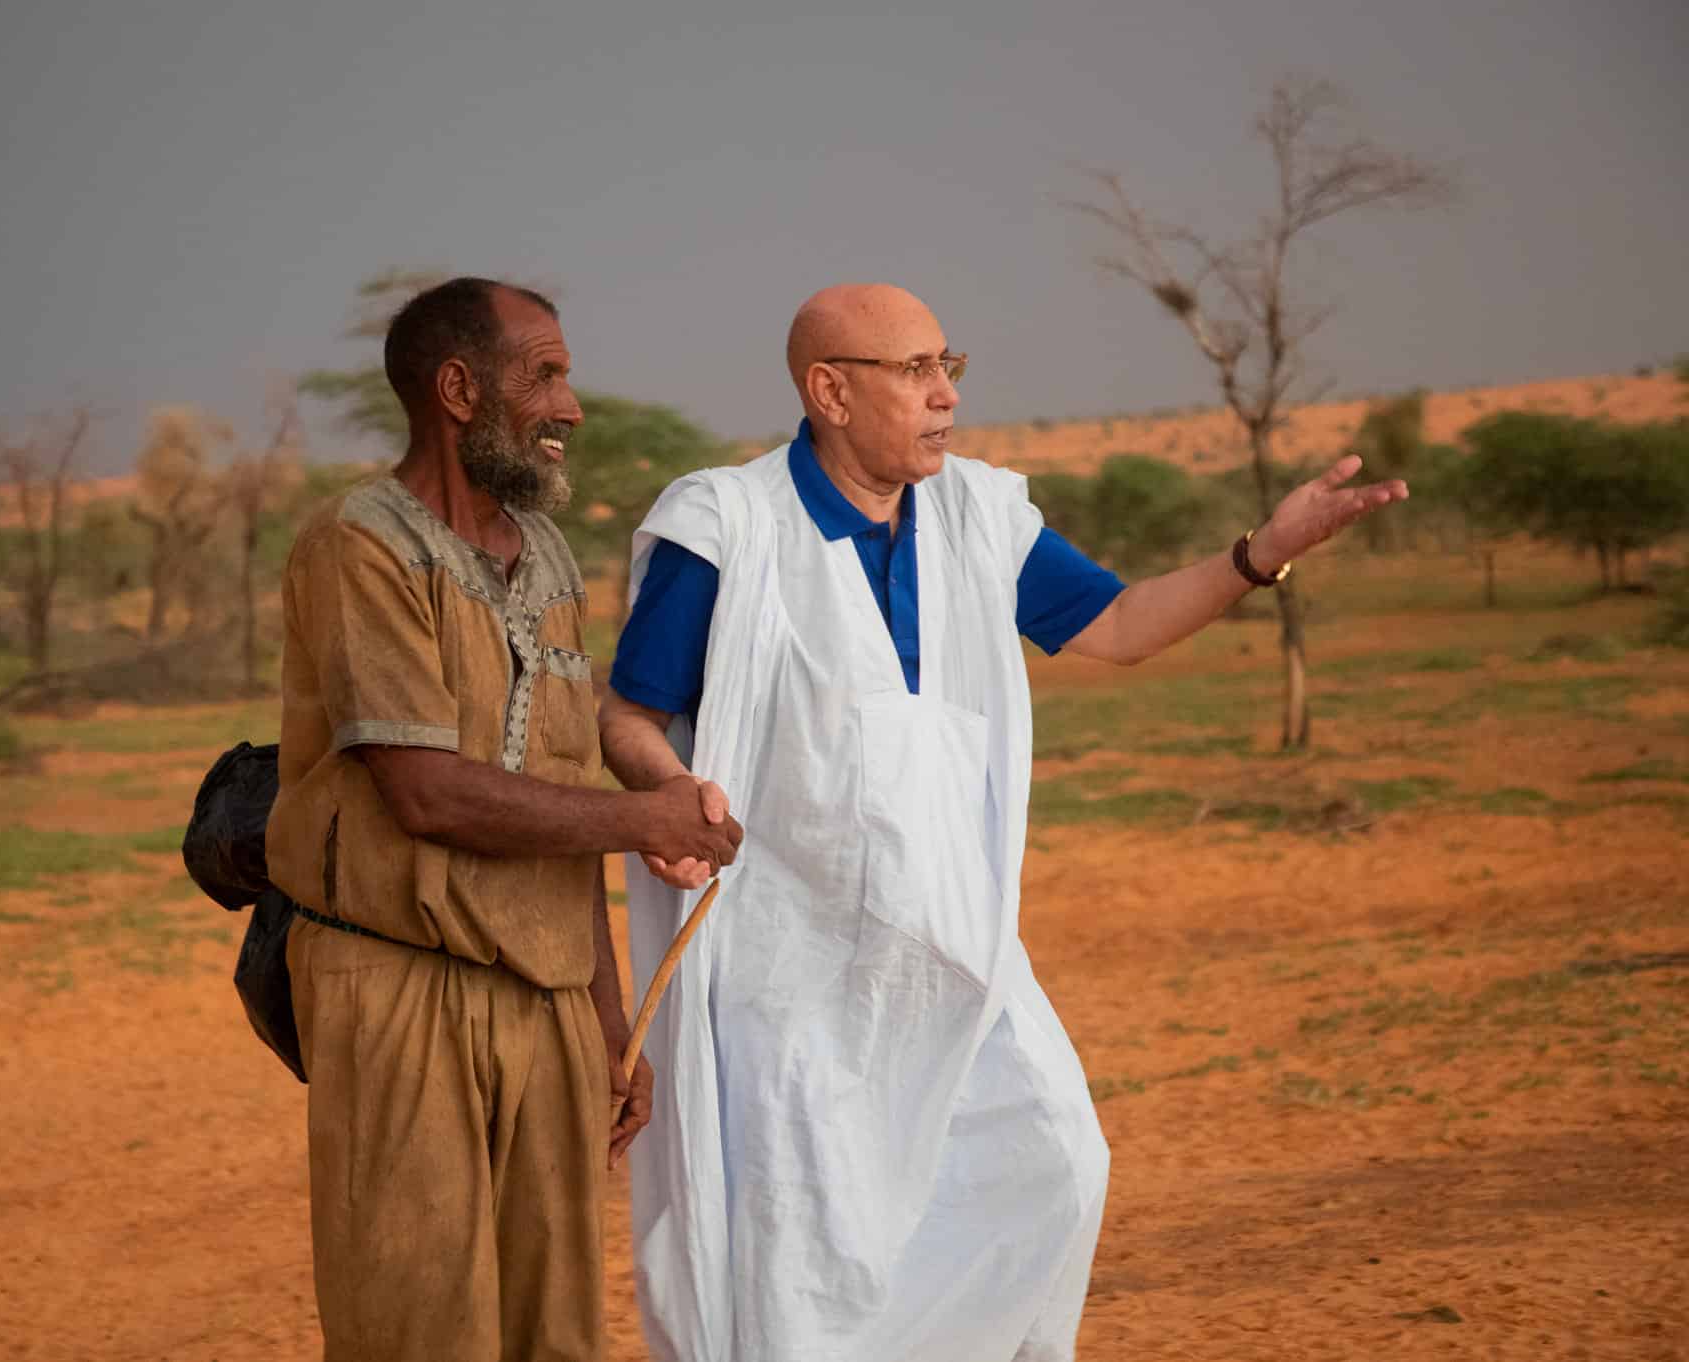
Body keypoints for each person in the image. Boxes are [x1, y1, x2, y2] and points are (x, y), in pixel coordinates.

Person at [600, 283, 1406, 1361]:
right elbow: (628, 714)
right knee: (807, 1258)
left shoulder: (980, 515)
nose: (945, 396)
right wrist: (665, 790)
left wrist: (1259, 552)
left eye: (950, 367)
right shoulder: (724, 525)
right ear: (828, 391)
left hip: (958, 952)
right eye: (915, 371)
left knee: (1050, 1168)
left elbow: (1115, 625)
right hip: (780, 979)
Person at [266, 276, 743, 1362]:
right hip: (398, 985)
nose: (569, 406)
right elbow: (425, 793)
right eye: (546, 375)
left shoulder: (549, 555)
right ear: (455, 388)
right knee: (417, 1324)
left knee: (552, 1329)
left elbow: (562, 786)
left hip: (545, 1000)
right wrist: (645, 817)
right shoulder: (360, 544)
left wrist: (607, 1023)